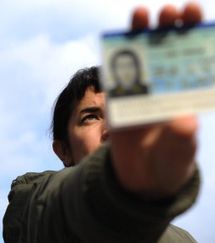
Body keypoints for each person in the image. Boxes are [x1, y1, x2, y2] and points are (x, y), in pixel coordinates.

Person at [2, 3, 203, 243]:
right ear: (63, 150)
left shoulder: (183, 239)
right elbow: (56, 211)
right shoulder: (32, 205)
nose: (113, 130)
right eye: (91, 117)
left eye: (123, 114)